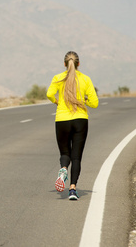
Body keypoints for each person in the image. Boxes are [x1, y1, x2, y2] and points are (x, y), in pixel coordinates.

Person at [46, 51, 99, 200]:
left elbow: (49, 94)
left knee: (64, 153)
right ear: (79, 64)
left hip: (62, 119)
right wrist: (84, 101)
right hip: (80, 120)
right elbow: (95, 103)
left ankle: (63, 169)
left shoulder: (58, 78)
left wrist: (57, 102)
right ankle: (73, 190)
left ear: (64, 64)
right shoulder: (85, 79)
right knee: (76, 157)